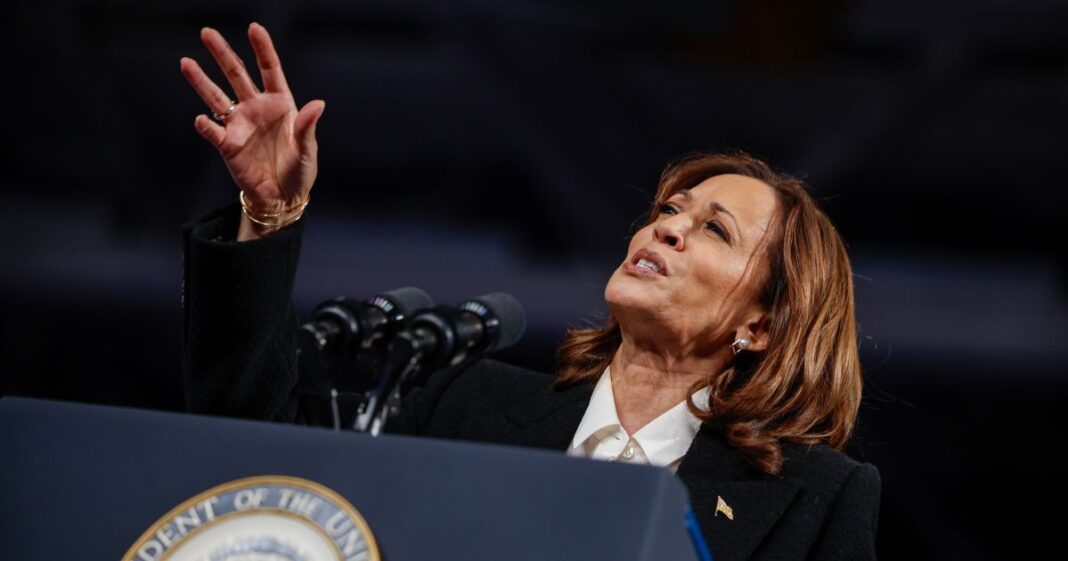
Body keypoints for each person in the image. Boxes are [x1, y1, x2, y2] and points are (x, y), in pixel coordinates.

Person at [179, 23, 880, 561]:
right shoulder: (465, 403)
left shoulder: (816, 499)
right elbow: (253, 456)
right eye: (668, 210)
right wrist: (267, 215)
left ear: (761, 324)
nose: (666, 229)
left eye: (713, 230)